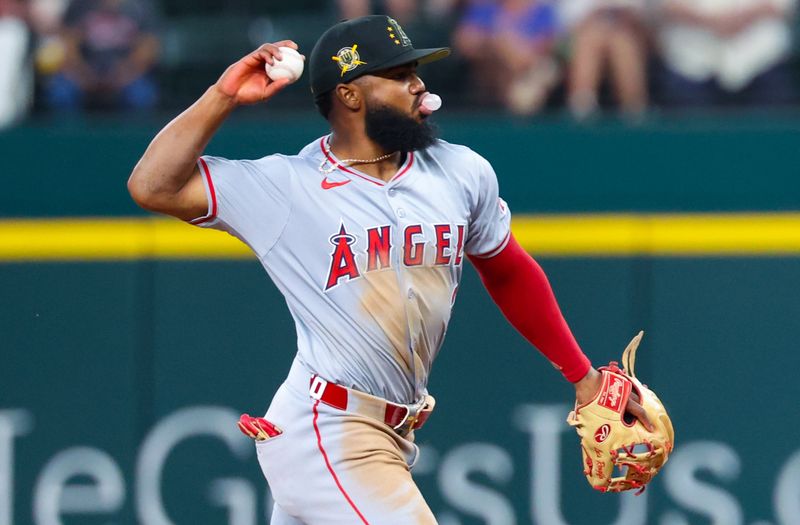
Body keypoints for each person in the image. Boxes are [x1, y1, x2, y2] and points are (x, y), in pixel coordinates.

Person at [128, 15, 653, 524]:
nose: (418, 85)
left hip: (394, 433)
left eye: (416, 72)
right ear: (351, 94)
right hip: (329, 431)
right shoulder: (287, 188)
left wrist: (582, 376)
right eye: (400, 76)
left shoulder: (459, 170)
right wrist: (223, 97)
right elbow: (152, 185)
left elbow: (508, 270)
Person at [655, 0, 797, 107]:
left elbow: (783, 5)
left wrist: (740, 18)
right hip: (690, 63)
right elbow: (662, 6)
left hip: (762, 59)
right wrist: (710, 20)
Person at [43, 0, 159, 112]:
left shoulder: (139, 5)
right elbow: (67, 45)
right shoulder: (80, 4)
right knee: (62, 93)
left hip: (126, 74)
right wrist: (84, 75)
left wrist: (123, 75)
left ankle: (136, 133)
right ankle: (69, 132)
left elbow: (147, 48)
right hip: (84, 72)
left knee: (141, 95)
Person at [453, 0, 561, 115]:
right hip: (488, 73)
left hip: (528, 73)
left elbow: (541, 50)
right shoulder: (484, 8)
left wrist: (506, 44)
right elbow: (465, 43)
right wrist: (495, 44)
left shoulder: (543, 11)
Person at [559, 0, 649, 120]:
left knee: (621, 42)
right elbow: (568, 24)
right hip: (582, 40)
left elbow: (642, 19)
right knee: (590, 40)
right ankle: (582, 108)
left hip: (629, 40)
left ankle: (634, 110)